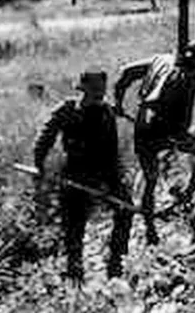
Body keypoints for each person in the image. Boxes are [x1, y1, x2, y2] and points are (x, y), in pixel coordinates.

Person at [33, 71, 132, 283]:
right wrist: (40, 167)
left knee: (125, 210)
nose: (100, 94)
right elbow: (44, 138)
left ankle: (116, 262)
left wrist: (115, 179)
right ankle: (74, 271)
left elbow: (112, 149)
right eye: (95, 90)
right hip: (76, 172)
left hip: (106, 171)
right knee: (73, 225)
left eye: (102, 90)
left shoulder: (106, 111)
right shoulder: (67, 110)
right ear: (83, 89)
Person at [112, 42, 195, 246]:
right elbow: (181, 117)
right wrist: (180, 138)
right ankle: (191, 196)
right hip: (165, 129)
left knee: (150, 180)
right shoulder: (190, 78)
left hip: (143, 126)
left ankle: (150, 230)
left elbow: (126, 73)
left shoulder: (159, 59)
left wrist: (118, 102)